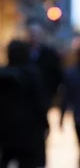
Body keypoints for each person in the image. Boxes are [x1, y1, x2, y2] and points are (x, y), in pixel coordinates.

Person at [0, 40, 48, 168]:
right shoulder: (32, 74)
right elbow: (39, 101)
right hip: (30, 132)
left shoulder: (3, 74)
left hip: (6, 131)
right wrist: (45, 123)